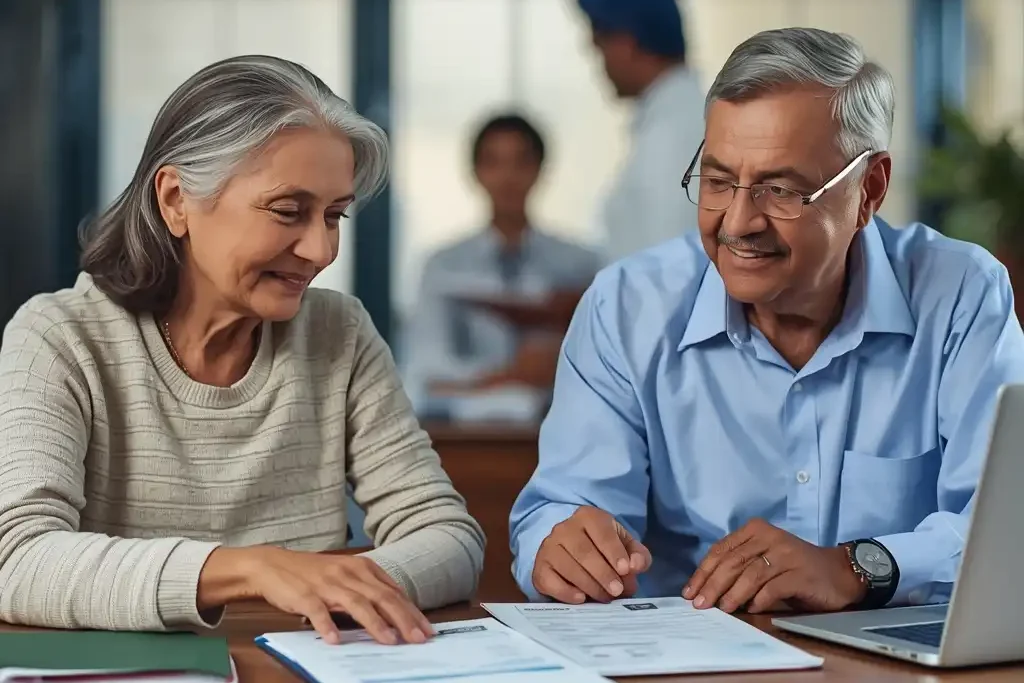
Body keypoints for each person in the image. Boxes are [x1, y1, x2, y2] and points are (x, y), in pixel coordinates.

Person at [510, 28, 1024, 614]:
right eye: (718, 180)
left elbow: (1005, 527)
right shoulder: (627, 308)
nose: (737, 222)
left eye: (780, 189)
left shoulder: (960, 295)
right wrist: (562, 542)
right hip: (689, 660)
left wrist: (858, 565)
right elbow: (558, 507)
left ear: (869, 189)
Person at [0, 55, 484, 645]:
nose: (320, 249)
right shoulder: (59, 337)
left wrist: (344, 587)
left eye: (335, 216)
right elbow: (17, 560)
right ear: (176, 199)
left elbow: (447, 533)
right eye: (288, 211)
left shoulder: (340, 332)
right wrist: (252, 568)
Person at [402, 114, 601, 417]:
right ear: (476, 172)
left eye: (521, 162)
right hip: (471, 437)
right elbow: (426, 365)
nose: (508, 177)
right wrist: (514, 374)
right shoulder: (442, 265)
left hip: (560, 426)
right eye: (494, 162)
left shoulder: (580, 263)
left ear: (539, 170)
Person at [577, 0, 705, 261]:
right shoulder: (676, 120)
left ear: (627, 44)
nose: (599, 62)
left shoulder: (673, 135)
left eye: (600, 45)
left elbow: (670, 268)